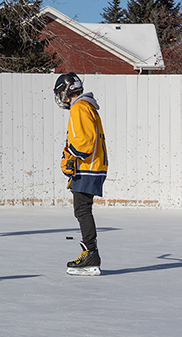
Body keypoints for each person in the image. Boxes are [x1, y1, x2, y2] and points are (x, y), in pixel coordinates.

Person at [53, 72, 108, 276]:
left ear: (66, 91)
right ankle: (90, 252)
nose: (61, 97)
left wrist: (70, 158)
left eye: (61, 92)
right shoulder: (87, 106)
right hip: (92, 166)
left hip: (87, 167)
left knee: (82, 210)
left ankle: (91, 254)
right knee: (82, 209)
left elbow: (84, 141)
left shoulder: (79, 107)